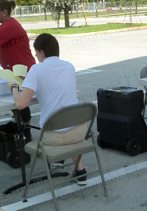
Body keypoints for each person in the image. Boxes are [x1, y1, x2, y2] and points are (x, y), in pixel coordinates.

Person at [7, 33, 88, 185]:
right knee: (67, 123)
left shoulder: (37, 69)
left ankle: (59, 159)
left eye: (36, 52)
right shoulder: (69, 66)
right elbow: (54, 85)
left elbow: (20, 105)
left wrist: (13, 87)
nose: (35, 56)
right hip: (79, 132)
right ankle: (80, 170)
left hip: (52, 139)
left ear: (42, 51)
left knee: (57, 130)